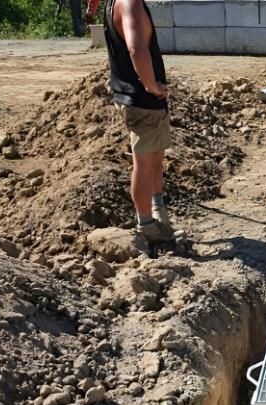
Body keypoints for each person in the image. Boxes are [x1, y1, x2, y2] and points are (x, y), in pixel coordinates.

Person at [104, 0, 175, 244]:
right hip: (142, 100)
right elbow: (136, 49)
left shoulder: (116, 2)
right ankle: (146, 226)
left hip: (140, 99)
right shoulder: (130, 3)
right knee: (144, 164)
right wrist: (151, 85)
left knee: (155, 158)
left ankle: (159, 215)